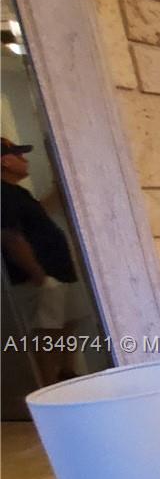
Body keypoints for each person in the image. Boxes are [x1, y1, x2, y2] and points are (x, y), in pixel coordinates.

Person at [2, 136, 80, 383]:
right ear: (4, 161)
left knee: (67, 325)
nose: (25, 160)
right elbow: (10, 236)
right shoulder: (3, 194)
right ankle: (49, 387)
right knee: (47, 334)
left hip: (56, 274)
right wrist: (39, 276)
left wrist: (60, 185)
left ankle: (68, 375)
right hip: (41, 278)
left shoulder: (17, 193)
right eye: (19, 155)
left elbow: (37, 216)